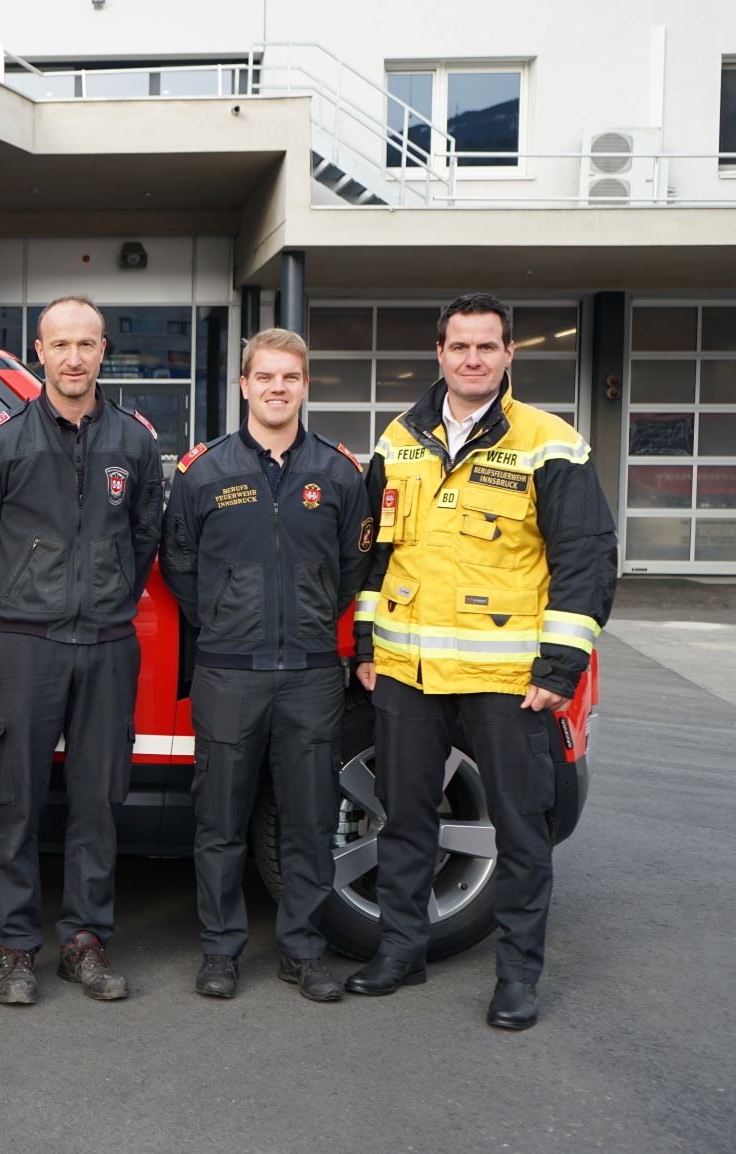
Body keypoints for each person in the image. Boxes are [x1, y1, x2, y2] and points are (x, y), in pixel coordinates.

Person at [346, 292, 616, 1030]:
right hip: (407, 673)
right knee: (405, 819)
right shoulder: (399, 439)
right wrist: (367, 645)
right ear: (439, 353)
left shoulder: (549, 442)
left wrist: (559, 669)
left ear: (508, 354)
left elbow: (586, 558)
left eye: (486, 346)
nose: (473, 359)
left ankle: (518, 976)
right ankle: (401, 951)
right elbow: (376, 555)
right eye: (460, 346)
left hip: (506, 679)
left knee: (520, 830)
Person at [0, 295, 165, 1005]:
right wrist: (17, 608)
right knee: (16, 802)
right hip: (27, 647)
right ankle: (16, 948)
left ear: (104, 350)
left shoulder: (135, 441)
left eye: (87, 344)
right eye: (61, 345)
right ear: (38, 352)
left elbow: (143, 538)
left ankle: (84, 941)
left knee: (98, 803)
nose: (74, 358)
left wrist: (106, 595)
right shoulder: (1, 440)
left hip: (107, 645)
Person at [160, 328, 371, 1003]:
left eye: (290, 377)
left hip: (310, 674)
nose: (277, 388)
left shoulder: (339, 472)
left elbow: (353, 566)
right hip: (229, 672)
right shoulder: (203, 471)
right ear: (244, 385)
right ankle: (220, 951)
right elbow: (179, 565)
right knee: (220, 821)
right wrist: (226, 618)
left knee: (309, 820)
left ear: (305, 386)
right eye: (265, 376)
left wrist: (309, 611)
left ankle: (303, 951)